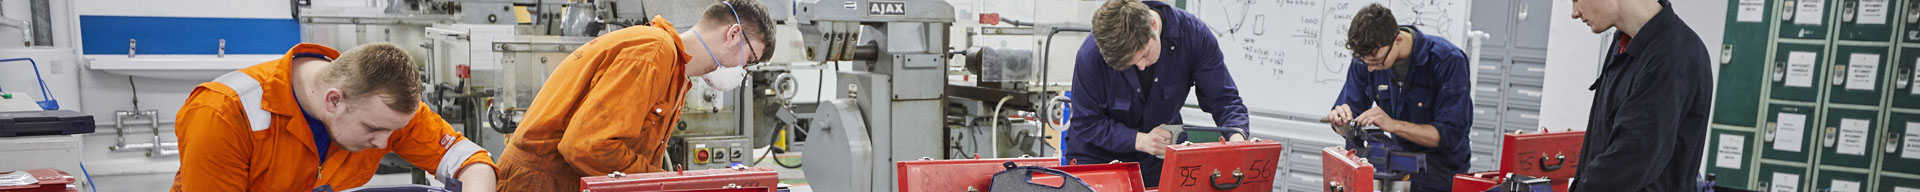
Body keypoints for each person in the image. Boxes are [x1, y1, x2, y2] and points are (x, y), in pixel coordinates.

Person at [493, 0, 774, 190]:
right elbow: (586, 146)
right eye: (748, 60)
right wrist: (663, 181)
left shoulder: (675, 74)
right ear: (734, 34)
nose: (741, 70)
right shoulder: (653, 53)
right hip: (538, 184)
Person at [171, 43, 497, 191]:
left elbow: (469, 160)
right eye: (372, 129)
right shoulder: (223, 116)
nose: (386, 142)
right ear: (333, 101)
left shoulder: (383, 110)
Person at [1067, 0, 1250, 187]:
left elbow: (1225, 100)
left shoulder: (1193, 36)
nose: (1141, 66)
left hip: (1158, 157)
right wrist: (1140, 140)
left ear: (1153, 25)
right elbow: (1086, 122)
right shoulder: (1091, 55)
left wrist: (1237, 139)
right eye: (1129, 65)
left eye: (1145, 54)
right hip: (1097, 158)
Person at [1322, 3, 1473, 191]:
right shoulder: (1366, 60)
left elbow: (1448, 136)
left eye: (1376, 62)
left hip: (1440, 173)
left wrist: (1392, 124)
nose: (1370, 68)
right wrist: (1341, 122)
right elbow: (1349, 121)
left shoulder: (1448, 61)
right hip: (1396, 167)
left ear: (1398, 40)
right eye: (1365, 62)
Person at [1566, 0, 1712, 190]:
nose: (1574, 12)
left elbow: (1629, 163)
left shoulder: (1673, 55)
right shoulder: (1624, 43)